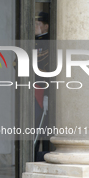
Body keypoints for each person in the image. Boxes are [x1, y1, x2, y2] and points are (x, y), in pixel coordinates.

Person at [34, 11, 50, 161]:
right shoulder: (33, 41)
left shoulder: (48, 43)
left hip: (42, 88)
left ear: (46, 26)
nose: (35, 26)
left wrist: (47, 95)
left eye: (38, 24)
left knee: (44, 128)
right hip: (32, 86)